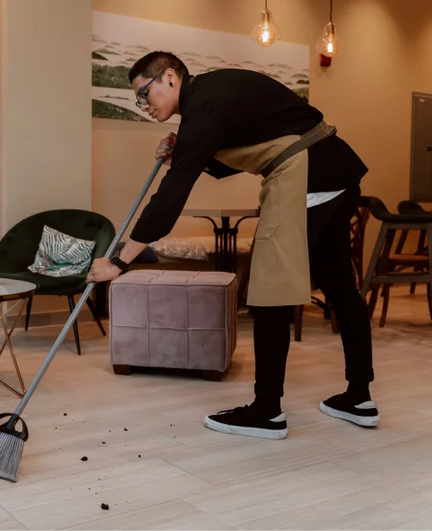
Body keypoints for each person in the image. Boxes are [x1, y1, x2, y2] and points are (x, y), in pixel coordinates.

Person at [86, 51, 377, 440]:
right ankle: (359, 397)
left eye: (144, 94)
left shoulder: (202, 107)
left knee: (268, 289)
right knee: (339, 283)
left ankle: (267, 410)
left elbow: (171, 195)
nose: (143, 106)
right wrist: (185, 151)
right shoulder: (210, 96)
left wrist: (119, 262)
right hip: (333, 169)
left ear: (169, 77)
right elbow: (235, 154)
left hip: (305, 174)